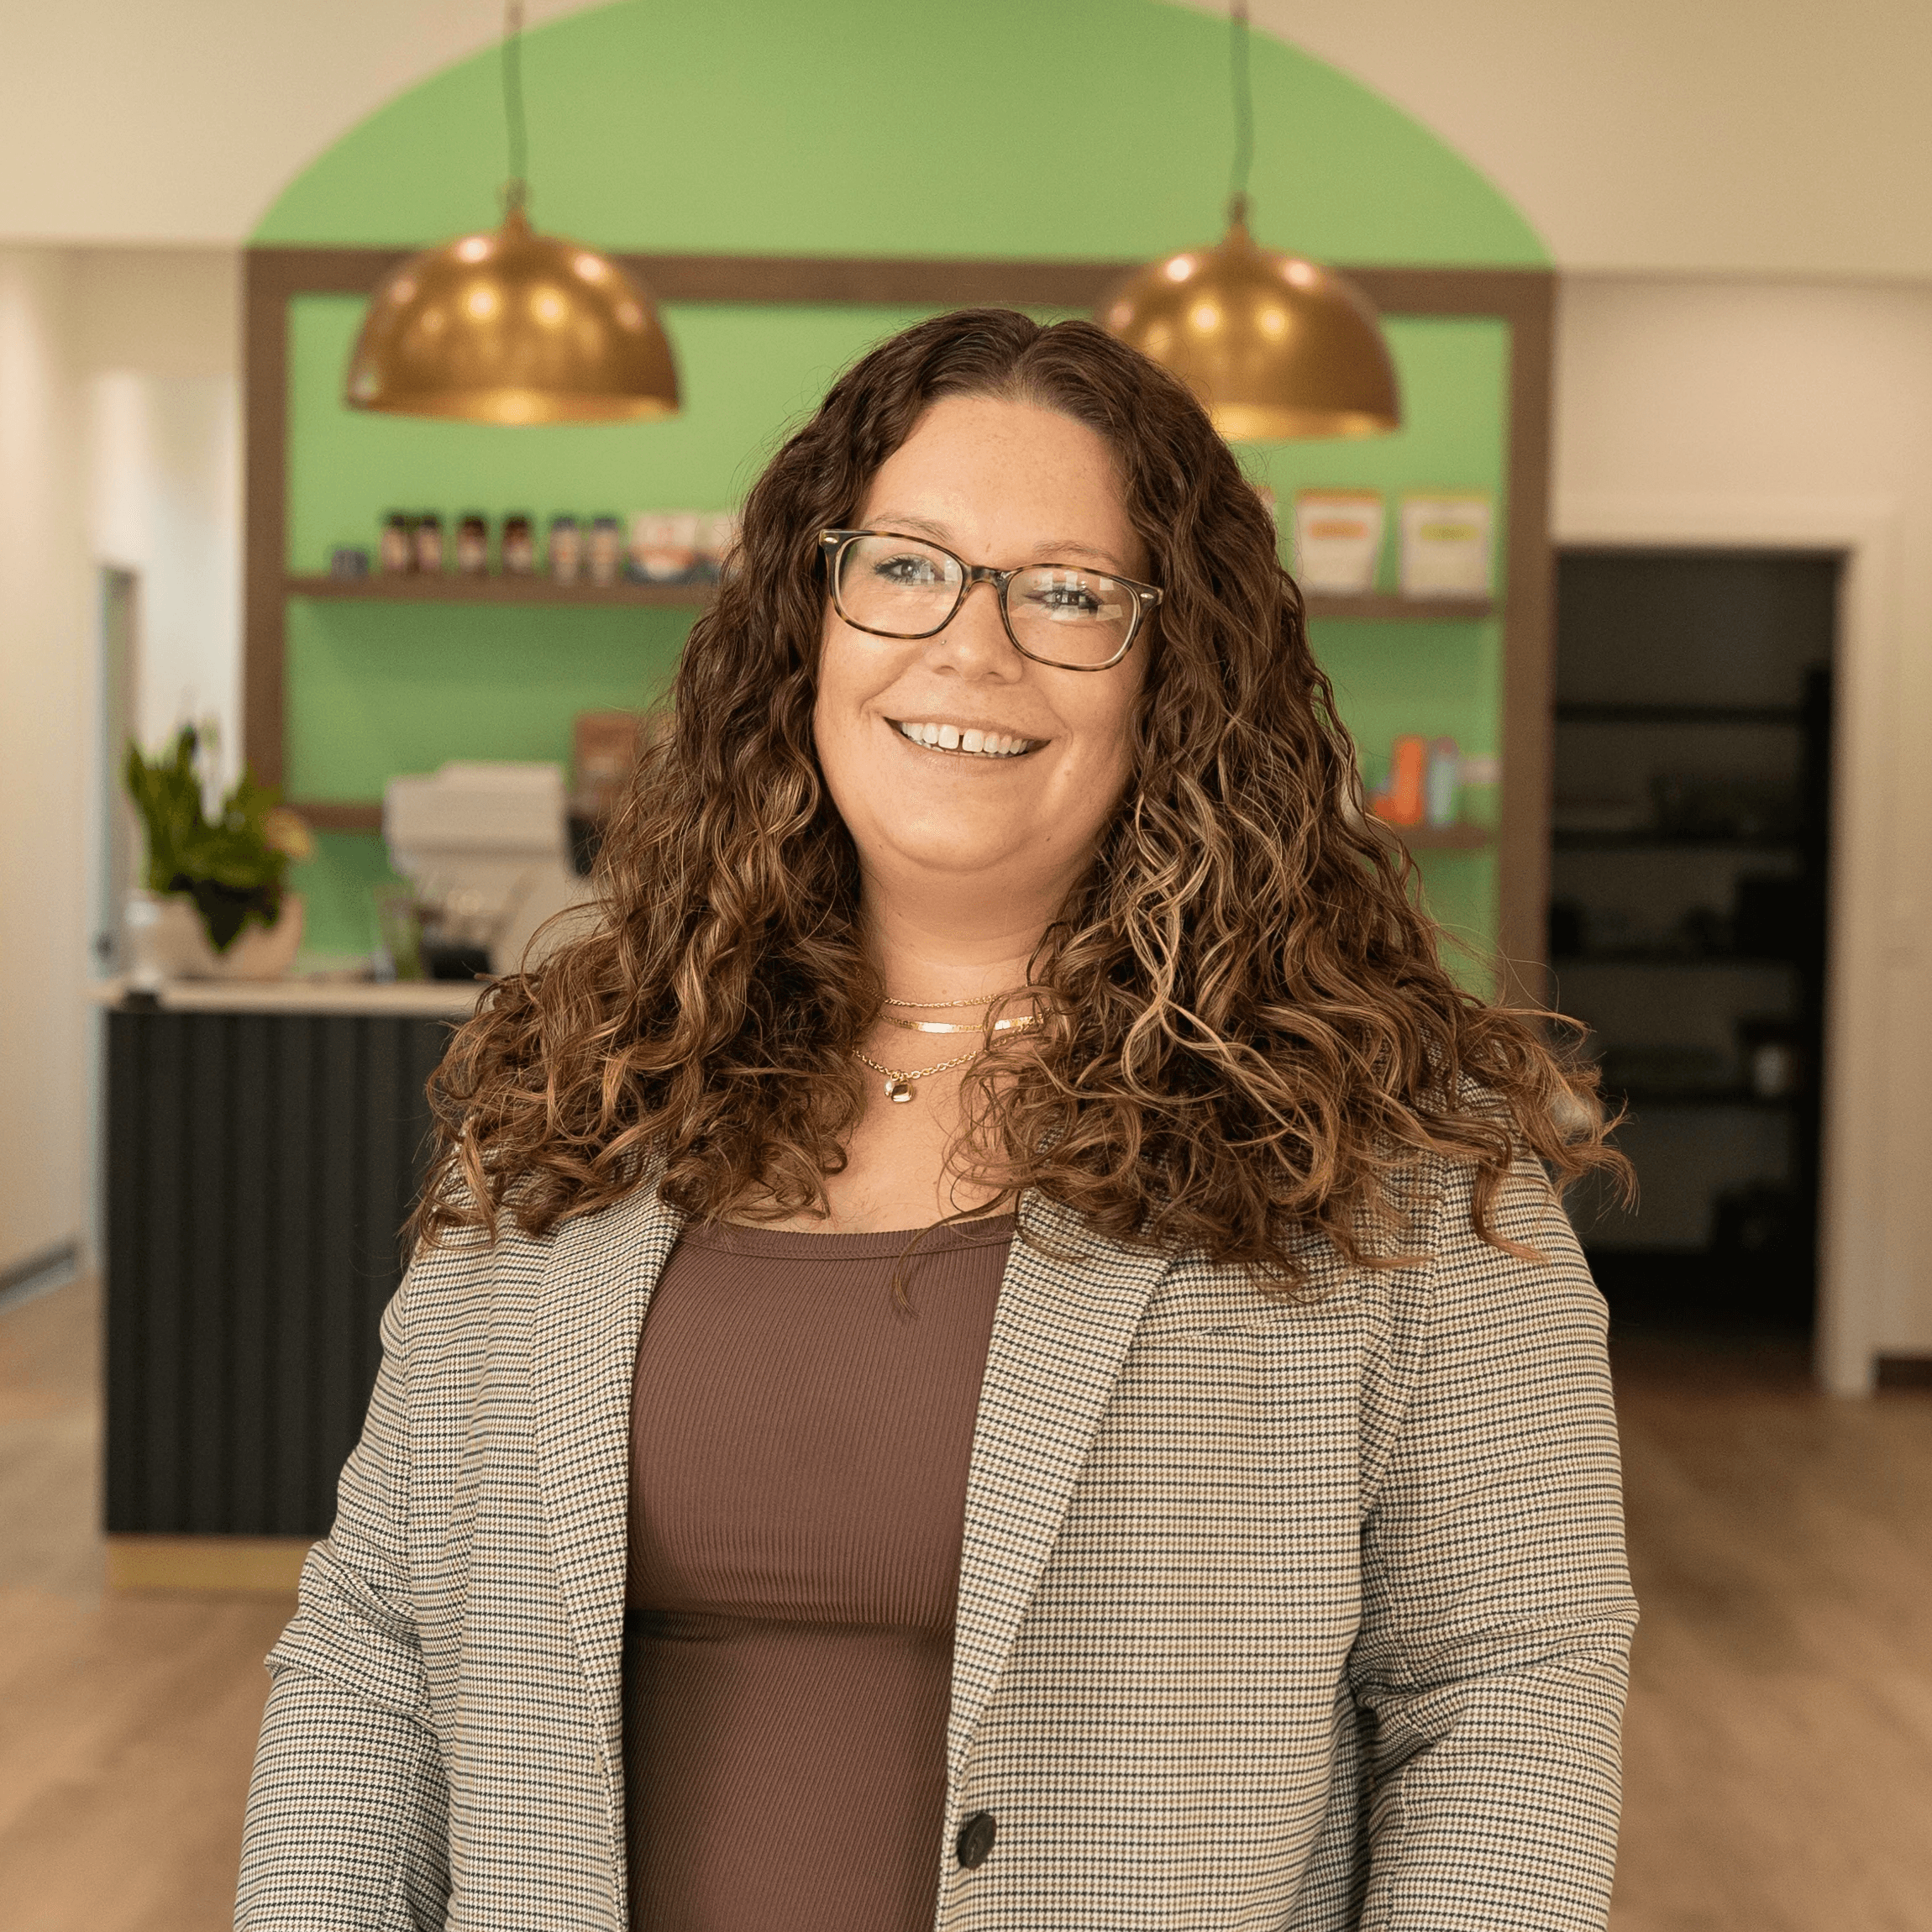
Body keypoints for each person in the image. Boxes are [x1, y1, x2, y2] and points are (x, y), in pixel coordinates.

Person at [236, 308, 1635, 1932]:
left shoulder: (1399, 1154)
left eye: (1068, 593)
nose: (971, 650)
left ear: (1174, 673)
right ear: (806, 624)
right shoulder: (583, 1089)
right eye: (906, 567)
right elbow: (376, 1639)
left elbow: (1510, 1693)